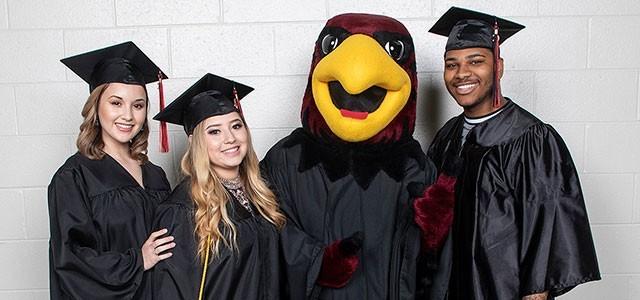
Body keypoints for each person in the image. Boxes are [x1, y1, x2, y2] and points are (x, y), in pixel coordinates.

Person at [261, 13, 452, 299]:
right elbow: (263, 230)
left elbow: (430, 267)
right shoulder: (286, 159)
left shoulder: (414, 167)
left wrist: (432, 232)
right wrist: (316, 262)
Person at [425, 7, 601, 300]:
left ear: (498, 67)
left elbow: (546, 233)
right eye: (451, 64)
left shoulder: (531, 139)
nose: (462, 73)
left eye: (476, 61)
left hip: (498, 290)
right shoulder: (448, 135)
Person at [48, 41, 176, 300]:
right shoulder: (74, 177)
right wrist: (137, 261)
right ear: (96, 106)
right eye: (116, 103)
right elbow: (70, 260)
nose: (128, 115)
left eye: (138, 105)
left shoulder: (155, 175)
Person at [151, 73, 286, 300]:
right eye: (214, 131)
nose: (230, 138)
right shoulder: (182, 209)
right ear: (196, 142)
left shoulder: (260, 194)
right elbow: (172, 290)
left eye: (236, 125)